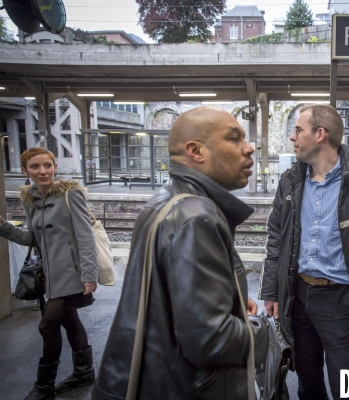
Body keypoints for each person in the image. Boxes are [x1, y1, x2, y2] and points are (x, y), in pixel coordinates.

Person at [93, 107, 268, 400]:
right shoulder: (195, 216)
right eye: (234, 138)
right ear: (196, 151)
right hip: (185, 388)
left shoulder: (168, 200)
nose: (249, 148)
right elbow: (210, 340)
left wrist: (230, 301)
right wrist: (262, 330)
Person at [259, 104, 349, 400]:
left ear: (320, 135)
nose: (293, 137)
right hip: (298, 297)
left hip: (342, 300)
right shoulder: (291, 180)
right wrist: (271, 291)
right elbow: (276, 236)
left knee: (344, 386)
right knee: (307, 382)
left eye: (298, 130)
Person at [0, 147, 98, 400]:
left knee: (46, 326)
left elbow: (85, 237)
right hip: (50, 274)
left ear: (55, 167)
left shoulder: (71, 194)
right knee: (70, 320)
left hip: (72, 272)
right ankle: (84, 372)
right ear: (25, 171)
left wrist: (89, 274)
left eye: (47, 165)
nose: (42, 171)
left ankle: (43, 388)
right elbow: (32, 238)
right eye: (35, 167)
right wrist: (3, 228)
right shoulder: (30, 198)